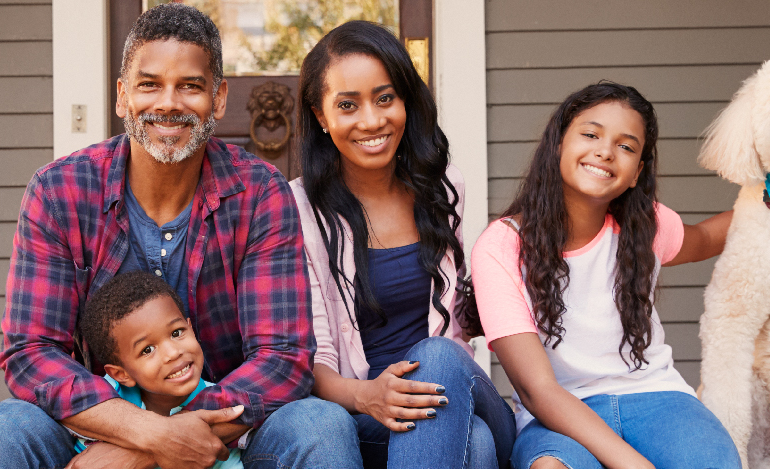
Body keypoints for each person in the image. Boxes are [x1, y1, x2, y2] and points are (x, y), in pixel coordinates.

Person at [0, 4, 360, 469]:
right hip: (99, 425)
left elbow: (282, 358)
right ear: (121, 96)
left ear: (219, 98)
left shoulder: (259, 191)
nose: (168, 102)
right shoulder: (59, 191)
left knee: (321, 424)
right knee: (1, 427)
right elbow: (31, 351)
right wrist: (144, 434)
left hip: (235, 432)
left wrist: (161, 444)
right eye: (149, 84)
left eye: (189, 86)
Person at [473, 82, 740, 469]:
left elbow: (705, 238)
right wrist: (634, 465)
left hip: (658, 400)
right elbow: (537, 390)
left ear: (636, 173)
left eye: (626, 146)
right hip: (559, 413)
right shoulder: (502, 247)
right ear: (558, 144)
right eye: (590, 134)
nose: (605, 151)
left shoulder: (644, 224)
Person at [289, 20, 516, 469]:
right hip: (365, 411)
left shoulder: (444, 189)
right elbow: (314, 355)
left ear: (406, 99)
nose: (372, 121)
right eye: (348, 105)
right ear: (320, 116)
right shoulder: (299, 209)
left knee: (436, 358)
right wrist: (367, 394)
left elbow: (454, 320)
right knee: (477, 446)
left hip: (458, 385)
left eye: (385, 98)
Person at [74, 271, 244, 468]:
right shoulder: (104, 405)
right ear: (122, 374)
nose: (173, 353)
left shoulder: (218, 406)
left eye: (177, 333)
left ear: (191, 328)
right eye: (147, 350)